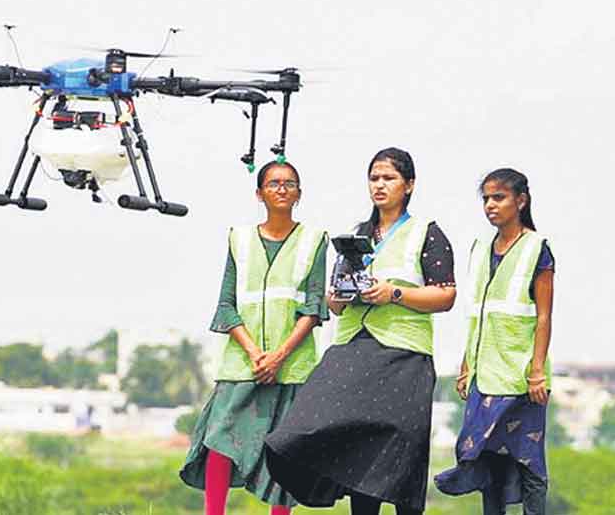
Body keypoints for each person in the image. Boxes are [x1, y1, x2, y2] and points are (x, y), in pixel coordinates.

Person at [264, 147, 456, 515]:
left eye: (389, 178)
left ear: (409, 185)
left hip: (404, 356)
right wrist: (337, 297)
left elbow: (445, 294)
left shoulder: (426, 233)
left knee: (401, 454)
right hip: (353, 350)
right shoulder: (357, 235)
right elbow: (334, 303)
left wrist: (393, 293)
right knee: (341, 441)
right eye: (374, 178)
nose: (380, 186)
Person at [179, 160, 328, 515]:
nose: (281, 188)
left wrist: (279, 356)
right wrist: (255, 353)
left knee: (284, 450)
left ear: (299, 194)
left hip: (291, 366)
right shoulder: (239, 239)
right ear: (259, 193)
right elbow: (226, 305)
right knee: (219, 438)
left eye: (289, 183)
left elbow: (314, 305)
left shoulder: (314, 240)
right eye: (274, 183)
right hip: (242, 363)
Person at [434, 168, 555, 515]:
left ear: (521, 201)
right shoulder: (480, 248)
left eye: (498, 197)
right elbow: (477, 313)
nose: (490, 205)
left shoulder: (537, 249)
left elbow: (544, 317)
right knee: (487, 458)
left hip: (520, 378)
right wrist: (465, 363)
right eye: (486, 198)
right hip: (483, 376)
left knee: (529, 460)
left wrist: (536, 372)